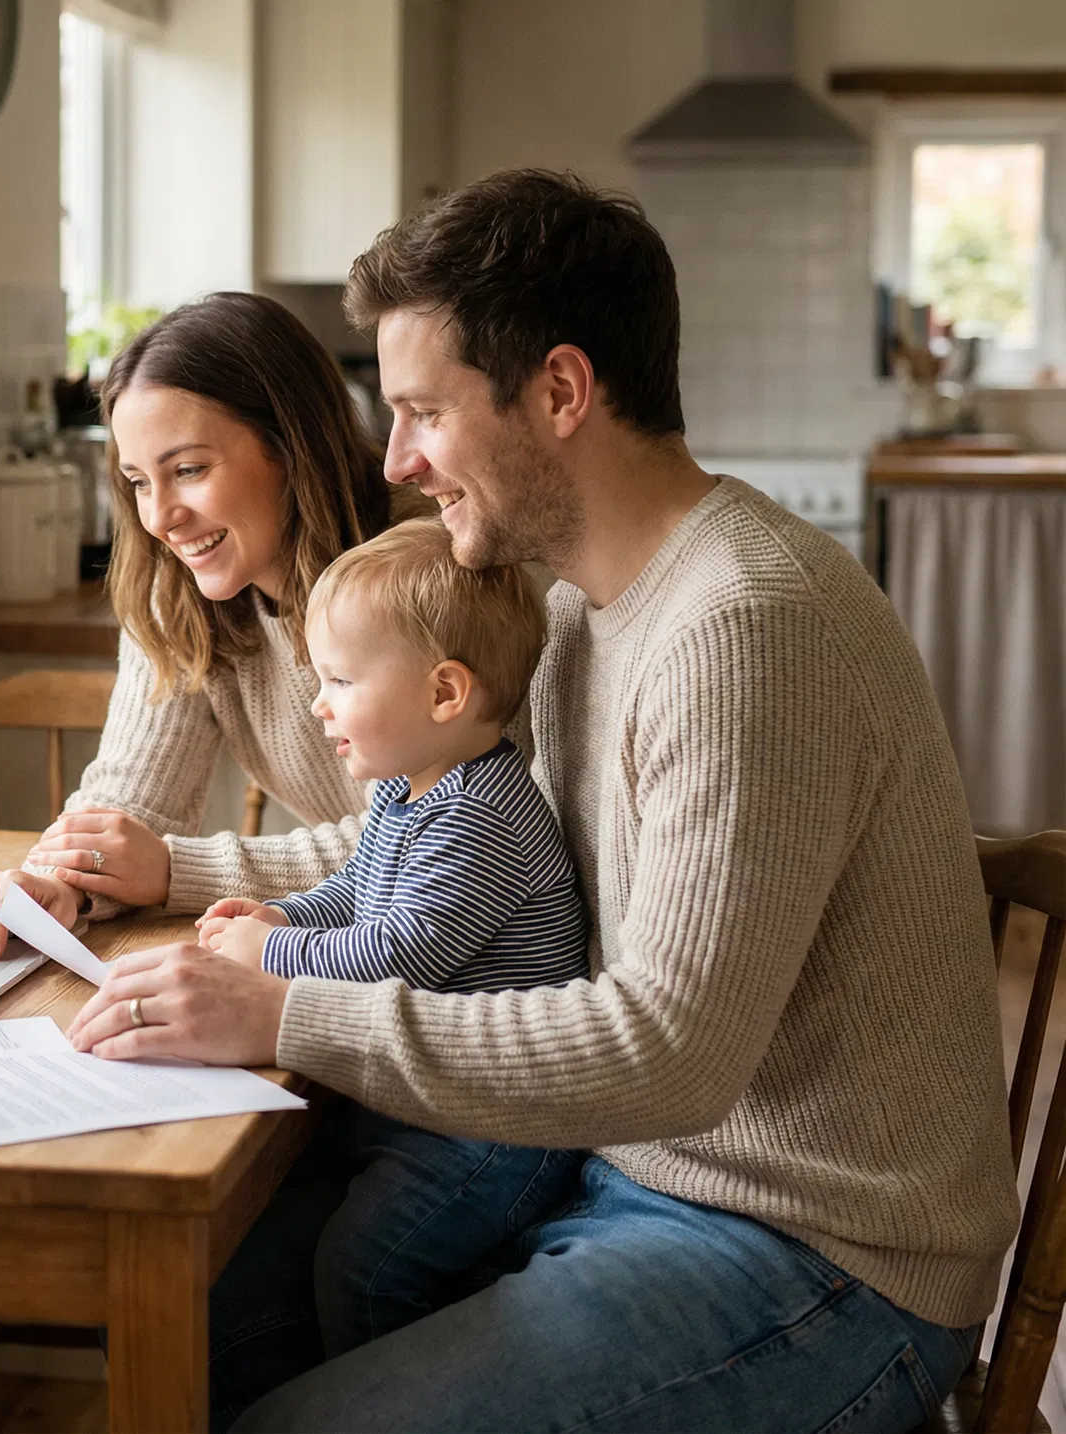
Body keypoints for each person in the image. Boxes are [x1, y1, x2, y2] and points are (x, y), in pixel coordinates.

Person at [65, 169, 1019, 1432]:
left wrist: (292, 1013)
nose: (398, 459)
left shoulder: (746, 625)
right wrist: (194, 887)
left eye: (423, 414)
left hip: (813, 1254)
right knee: (192, 1326)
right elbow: (442, 842)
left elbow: (666, 1050)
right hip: (624, 1178)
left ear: (560, 392)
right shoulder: (570, 609)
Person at [0, 292, 421, 955]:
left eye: (187, 470)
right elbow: (133, 796)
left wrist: (172, 869)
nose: (159, 519)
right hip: (353, 935)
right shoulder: (182, 593)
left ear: (291, 445)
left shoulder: (423, 570)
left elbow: (432, 835)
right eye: (137, 481)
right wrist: (57, 880)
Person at [196, 515, 588, 1358]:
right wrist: (282, 918)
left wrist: (264, 959)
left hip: (495, 1128)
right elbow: (359, 894)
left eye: (338, 680)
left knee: (365, 1266)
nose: (318, 704)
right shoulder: (410, 789)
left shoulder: (482, 817)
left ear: (444, 694)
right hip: (427, 1100)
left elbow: (396, 952)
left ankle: (382, 1392)